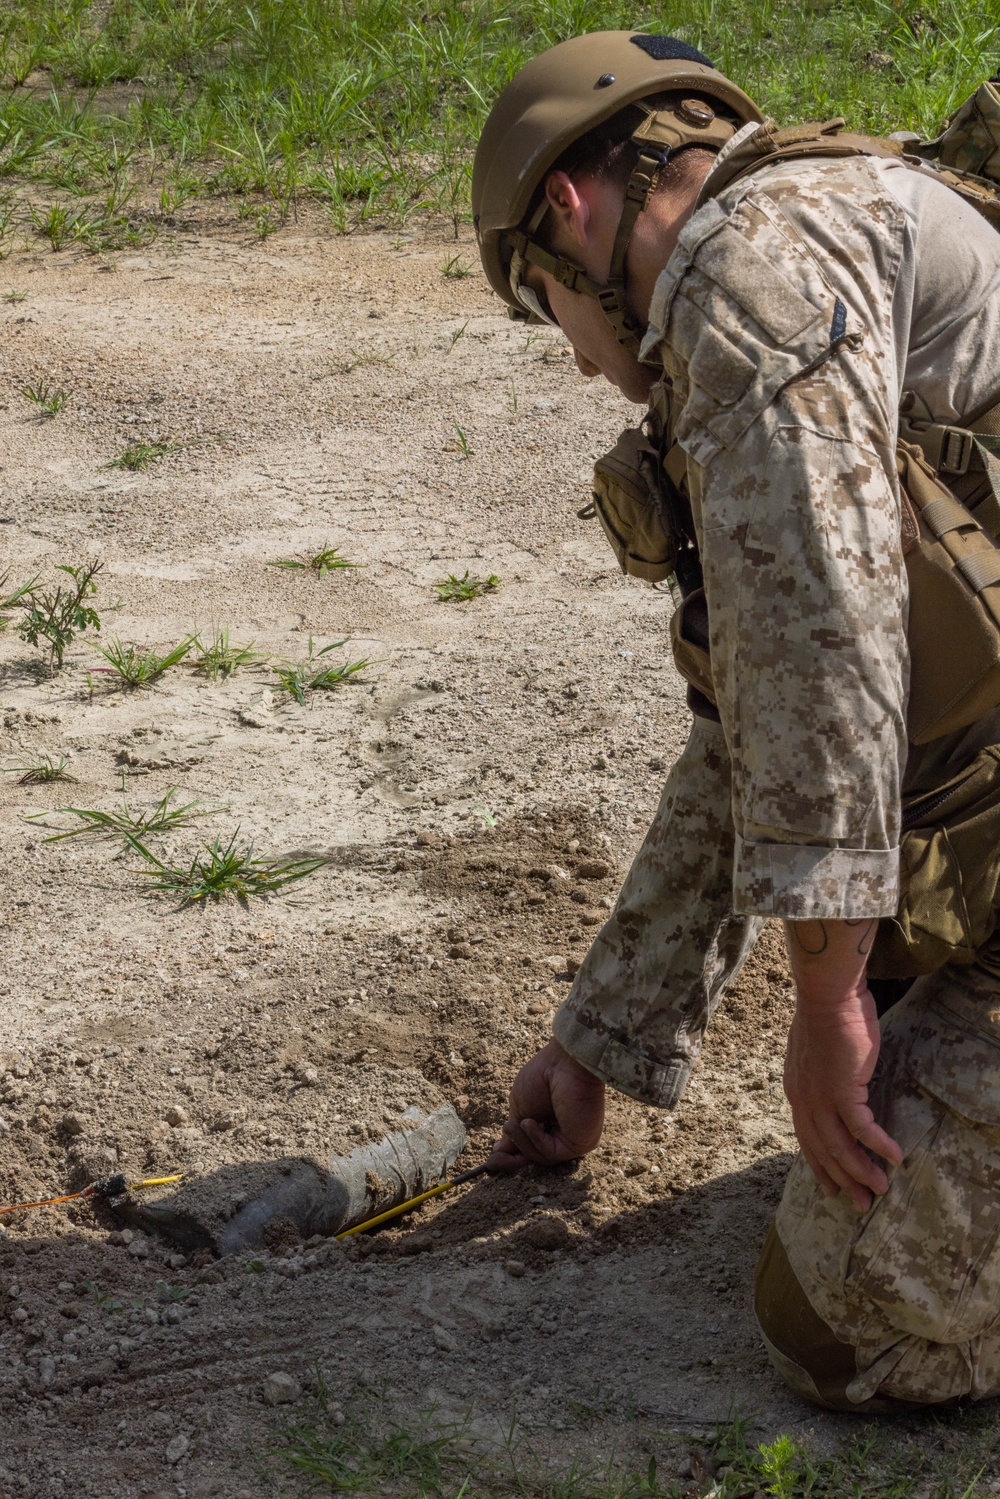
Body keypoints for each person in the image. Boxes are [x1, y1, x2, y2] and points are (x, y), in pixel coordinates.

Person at [472, 31, 1000, 1410]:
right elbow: (757, 710)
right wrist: (610, 1031)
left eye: (547, 310)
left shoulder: (744, 281)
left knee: (864, 1324)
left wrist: (826, 997)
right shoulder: (815, 222)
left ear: (569, 216)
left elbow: (825, 652)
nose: (584, 363)